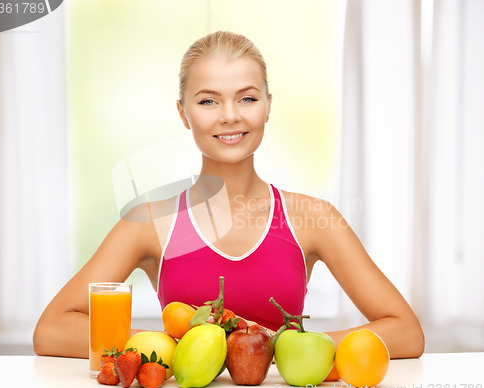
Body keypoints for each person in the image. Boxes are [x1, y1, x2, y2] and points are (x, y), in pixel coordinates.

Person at [33, 31, 424, 359]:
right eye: (207, 101)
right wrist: (172, 346)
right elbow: (51, 330)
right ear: (183, 113)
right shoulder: (151, 222)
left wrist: (281, 347)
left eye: (247, 98)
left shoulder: (311, 217)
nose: (229, 115)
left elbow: (406, 333)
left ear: (268, 106)